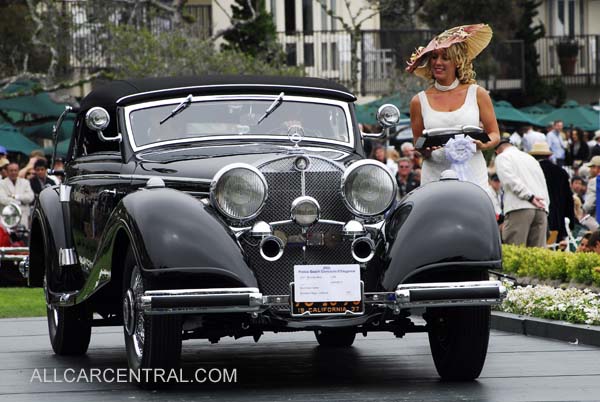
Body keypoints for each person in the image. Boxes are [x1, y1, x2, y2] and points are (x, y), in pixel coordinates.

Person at [406, 23, 500, 189]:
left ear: (457, 61)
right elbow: (418, 142)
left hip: (473, 177)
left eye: (445, 57)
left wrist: (483, 145)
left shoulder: (477, 93)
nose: (437, 62)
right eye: (434, 57)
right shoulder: (418, 101)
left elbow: (494, 134)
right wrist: (425, 150)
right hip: (435, 178)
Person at [495, 139, 549, 247]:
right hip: (541, 208)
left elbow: (510, 180)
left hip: (519, 206)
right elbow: (543, 184)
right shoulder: (531, 158)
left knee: (515, 251)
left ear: (496, 151)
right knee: (538, 254)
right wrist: (545, 206)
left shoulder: (502, 157)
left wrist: (530, 197)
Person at [529, 142, 575, 241]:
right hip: (558, 219)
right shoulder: (561, 172)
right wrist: (571, 222)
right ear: (549, 156)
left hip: (539, 216)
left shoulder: (532, 171)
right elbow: (569, 199)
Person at [0, 162, 35, 227]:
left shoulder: (25, 182)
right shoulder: (1, 183)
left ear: (18, 171)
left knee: (23, 232)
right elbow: (2, 199)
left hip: (23, 216)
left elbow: (30, 197)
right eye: (11, 170)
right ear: (7, 171)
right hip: (7, 216)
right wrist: (20, 202)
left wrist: (16, 196)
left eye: (15, 170)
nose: (13, 172)